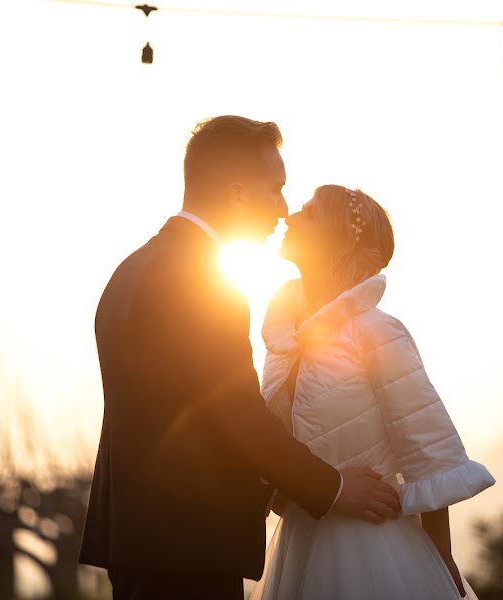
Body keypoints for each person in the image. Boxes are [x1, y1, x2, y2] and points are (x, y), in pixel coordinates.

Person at [78, 117, 401, 600]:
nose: (284, 208)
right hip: (188, 550)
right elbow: (238, 413)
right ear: (235, 194)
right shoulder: (200, 281)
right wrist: (332, 486)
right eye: (274, 190)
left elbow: (185, 419)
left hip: (139, 544)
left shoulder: (132, 270)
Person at [252, 185, 496, 600]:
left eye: (309, 213)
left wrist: (441, 558)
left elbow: (428, 448)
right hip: (301, 538)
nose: (291, 216)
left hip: (373, 546)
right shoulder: (284, 341)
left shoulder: (377, 331)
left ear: (338, 241)